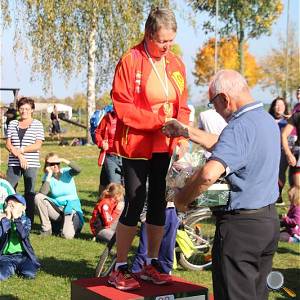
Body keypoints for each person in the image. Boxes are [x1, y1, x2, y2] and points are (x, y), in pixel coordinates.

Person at [162, 69, 280, 300]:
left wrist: (182, 199)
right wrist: (186, 131)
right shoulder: (265, 119)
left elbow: (208, 174)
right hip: (267, 222)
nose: (214, 110)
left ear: (225, 98)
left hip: (241, 229)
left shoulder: (240, 127)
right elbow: (225, 143)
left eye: (213, 104)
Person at [108, 7, 190, 291]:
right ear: (148, 34)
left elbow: (182, 105)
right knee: (135, 198)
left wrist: (180, 136)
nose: (167, 47)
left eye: (171, 41)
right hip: (136, 144)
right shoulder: (130, 61)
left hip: (164, 144)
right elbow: (123, 106)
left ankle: (151, 264)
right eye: (162, 41)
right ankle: (119, 266)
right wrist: (158, 121)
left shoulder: (176, 63)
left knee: (159, 202)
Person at [5, 97, 45, 224]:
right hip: (14, 163)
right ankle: (8, 217)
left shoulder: (37, 124)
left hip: (31, 163)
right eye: (21, 108)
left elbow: (38, 145)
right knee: (9, 189)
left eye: (27, 109)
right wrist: (18, 155)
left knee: (30, 191)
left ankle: (29, 221)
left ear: (32, 110)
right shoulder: (12, 124)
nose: (24, 111)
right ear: (18, 110)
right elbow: (8, 144)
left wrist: (21, 151)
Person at [34, 153, 84, 239]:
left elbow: (78, 169)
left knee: (67, 236)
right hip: (57, 210)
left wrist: (63, 160)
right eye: (52, 164)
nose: (55, 166)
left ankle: (71, 226)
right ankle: (46, 229)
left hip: (71, 208)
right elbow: (43, 193)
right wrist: (49, 175)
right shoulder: (47, 177)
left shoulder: (66, 172)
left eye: (57, 163)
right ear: (47, 165)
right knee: (38, 197)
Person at [131, 201, 179, 275]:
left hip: (172, 210)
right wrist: (143, 214)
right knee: (146, 247)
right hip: (153, 209)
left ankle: (164, 271)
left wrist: (179, 216)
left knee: (167, 246)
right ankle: (138, 270)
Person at [0, 194, 40, 281]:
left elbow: (23, 234)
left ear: (23, 208)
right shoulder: (3, 221)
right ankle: (10, 268)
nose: (11, 207)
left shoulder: (26, 221)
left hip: (23, 256)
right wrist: (7, 218)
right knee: (2, 275)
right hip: (6, 256)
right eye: (9, 205)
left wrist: (17, 219)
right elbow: (1, 234)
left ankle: (21, 268)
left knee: (29, 274)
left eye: (14, 205)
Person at [94, 106, 123, 194]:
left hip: (126, 156)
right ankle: (114, 206)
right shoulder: (107, 118)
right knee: (115, 185)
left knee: (105, 180)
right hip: (111, 156)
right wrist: (101, 142)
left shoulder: (128, 117)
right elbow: (97, 133)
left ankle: (104, 202)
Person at [268, 97, 290, 205]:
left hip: (283, 151)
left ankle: (278, 195)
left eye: (282, 104)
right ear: (273, 107)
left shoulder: (288, 122)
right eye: (277, 104)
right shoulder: (267, 119)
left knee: (280, 172)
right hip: (269, 151)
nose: (279, 107)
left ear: (285, 107)